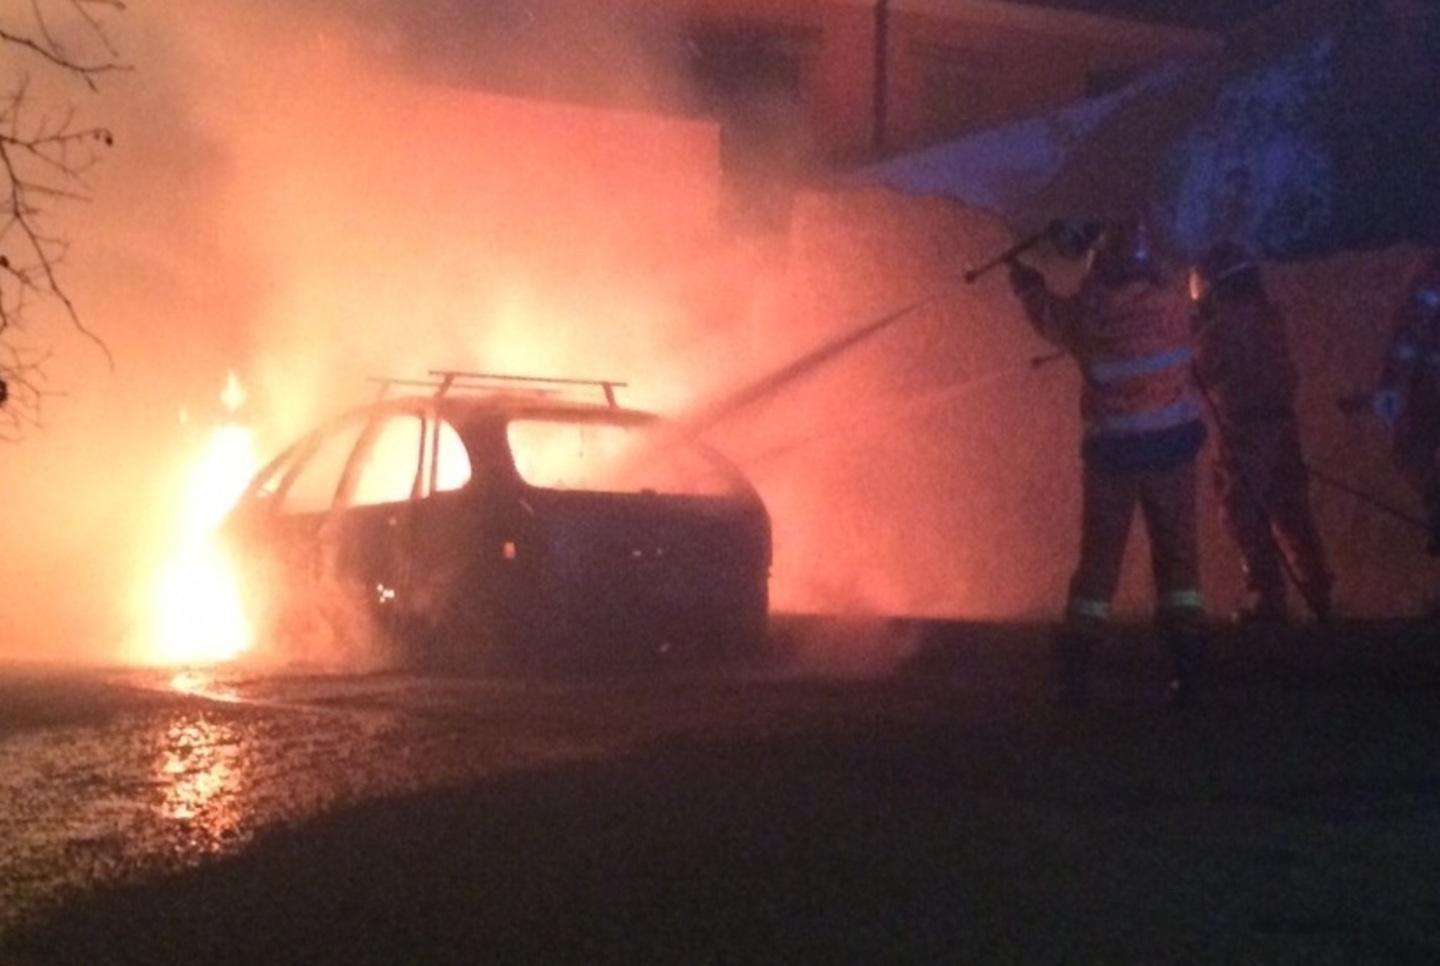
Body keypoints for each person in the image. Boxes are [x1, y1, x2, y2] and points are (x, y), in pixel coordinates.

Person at [1008, 214, 1208, 708]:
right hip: (1173, 452)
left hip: (1113, 457)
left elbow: (1049, 316)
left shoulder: (1091, 312)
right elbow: (1186, 287)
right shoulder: (1173, 304)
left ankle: (1075, 675)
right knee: (1179, 564)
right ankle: (1189, 671)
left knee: (1098, 568)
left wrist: (1026, 282)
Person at [1189, 241, 1333, 623]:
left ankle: (1265, 593)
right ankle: (1317, 586)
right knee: (1290, 507)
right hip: (1281, 421)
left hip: (1244, 427)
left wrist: (1191, 334)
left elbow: (1198, 372)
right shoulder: (1270, 317)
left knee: (1242, 509)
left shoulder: (1220, 328)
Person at [1373, 250, 1440, 553]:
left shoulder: (1430, 274)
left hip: (1427, 390)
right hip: (1426, 388)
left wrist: (1391, 382)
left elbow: (1409, 331)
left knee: (1411, 450)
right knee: (1411, 452)